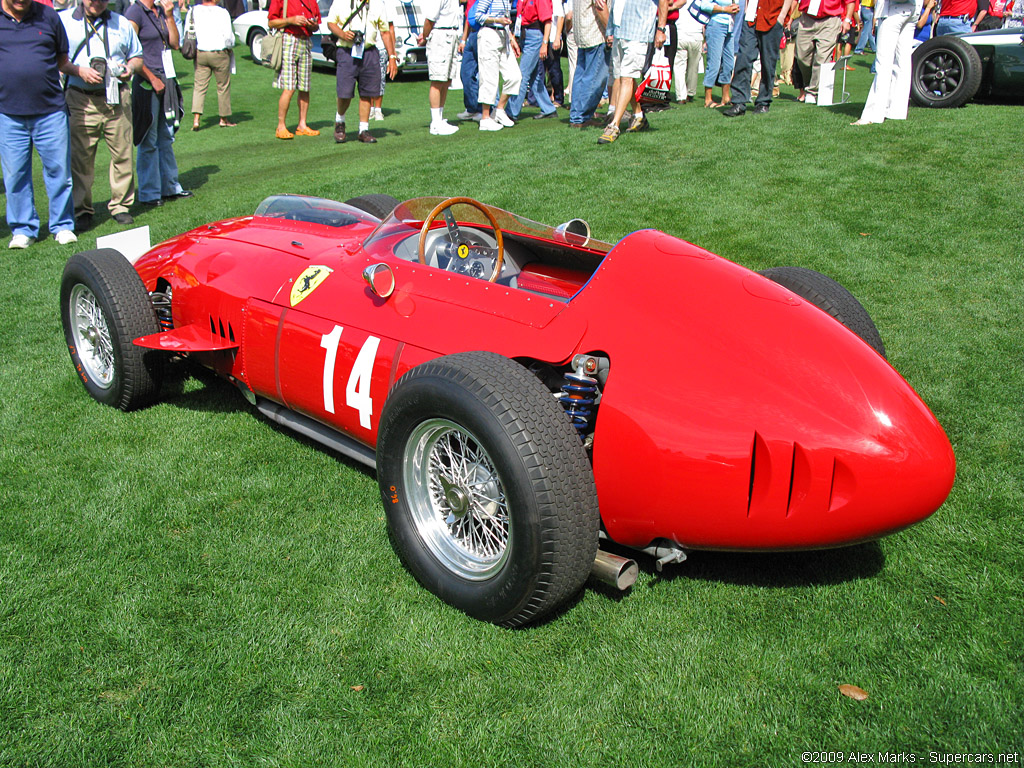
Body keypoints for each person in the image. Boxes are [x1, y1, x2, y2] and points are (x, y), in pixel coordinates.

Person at [1, 0, 81, 247]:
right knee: (15, 175)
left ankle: (62, 225)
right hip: (8, 112)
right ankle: (23, 229)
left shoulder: (48, 15)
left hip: (50, 110)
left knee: (59, 171)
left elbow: (61, 57)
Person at [61, 0, 143, 230]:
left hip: (116, 96)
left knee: (123, 154)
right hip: (80, 97)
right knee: (81, 159)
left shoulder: (122, 22)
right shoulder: (65, 21)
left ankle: (121, 206)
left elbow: (136, 55)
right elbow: (58, 59)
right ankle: (82, 209)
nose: (96, 2)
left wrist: (130, 69)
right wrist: (79, 70)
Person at [126, 0, 192, 206]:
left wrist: (170, 15)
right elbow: (130, 52)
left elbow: (174, 43)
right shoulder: (135, 12)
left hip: (166, 79)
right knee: (149, 138)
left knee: (166, 135)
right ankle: (149, 193)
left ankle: (170, 187)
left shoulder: (161, 11)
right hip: (147, 82)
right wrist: (151, 78)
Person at [327, 0, 397, 143]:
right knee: (344, 92)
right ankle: (340, 121)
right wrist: (342, 34)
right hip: (346, 50)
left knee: (368, 92)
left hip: (369, 51)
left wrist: (392, 57)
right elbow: (331, 23)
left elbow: (385, 32)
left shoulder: (377, 4)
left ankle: (363, 129)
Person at [851, 0, 918, 123]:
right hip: (912, 9)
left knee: (884, 63)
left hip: (893, 10)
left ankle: (872, 114)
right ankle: (896, 110)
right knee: (902, 62)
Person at [723, 0, 794, 114]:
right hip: (752, 17)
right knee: (743, 57)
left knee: (768, 63)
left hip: (772, 16)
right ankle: (739, 102)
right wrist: (747, 9)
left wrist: (782, 16)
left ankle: (763, 102)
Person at [268, 0, 320, 139]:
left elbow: (316, 27)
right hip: (289, 39)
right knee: (289, 87)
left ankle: (302, 124)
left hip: (306, 42)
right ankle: (281, 126)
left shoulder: (312, 1)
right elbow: (271, 22)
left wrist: (312, 25)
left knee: (304, 87)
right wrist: (291, 20)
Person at [188, 0, 236, 130]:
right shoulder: (222, 12)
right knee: (223, 86)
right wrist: (230, 47)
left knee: (199, 86)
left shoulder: (193, 11)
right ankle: (223, 118)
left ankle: (196, 119)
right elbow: (228, 36)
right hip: (219, 52)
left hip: (201, 52)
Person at [794, 0, 854, 103]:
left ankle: (812, 92)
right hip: (806, 18)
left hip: (830, 19)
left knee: (822, 57)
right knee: (801, 57)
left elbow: (851, 1)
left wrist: (847, 20)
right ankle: (809, 85)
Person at [474, 0, 522, 130]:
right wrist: (497, 20)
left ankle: (499, 110)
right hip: (489, 34)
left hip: (503, 35)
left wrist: (511, 39)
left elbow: (505, 19)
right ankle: (485, 118)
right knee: (489, 78)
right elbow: (478, 16)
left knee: (515, 76)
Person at [507, 0, 559, 119]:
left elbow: (547, 21)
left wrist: (545, 43)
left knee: (522, 75)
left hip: (535, 35)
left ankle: (511, 112)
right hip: (525, 34)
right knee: (534, 77)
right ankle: (548, 109)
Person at [419, 0, 462, 133]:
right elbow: (429, 20)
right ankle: (435, 122)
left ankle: (440, 117)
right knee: (438, 79)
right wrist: (425, 37)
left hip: (452, 34)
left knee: (447, 79)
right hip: (440, 36)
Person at [568, 0, 609, 126]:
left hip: (582, 34)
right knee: (594, 79)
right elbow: (600, 7)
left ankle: (576, 116)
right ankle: (583, 116)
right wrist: (610, 31)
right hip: (595, 35)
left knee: (580, 77)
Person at [696, 0, 739, 108]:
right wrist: (725, 9)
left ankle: (725, 97)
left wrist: (735, 9)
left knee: (729, 63)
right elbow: (704, 5)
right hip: (716, 25)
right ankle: (708, 99)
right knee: (714, 63)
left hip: (730, 26)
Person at [458, 0, 484, 119]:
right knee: (465, 73)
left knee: (484, 74)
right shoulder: (470, 2)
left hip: (483, 32)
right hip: (472, 35)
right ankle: (472, 108)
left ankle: (485, 110)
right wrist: (463, 40)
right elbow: (468, 19)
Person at [673, 0, 703, 101]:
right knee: (693, 67)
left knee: (679, 67)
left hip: (680, 32)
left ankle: (681, 96)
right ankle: (690, 92)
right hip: (696, 34)